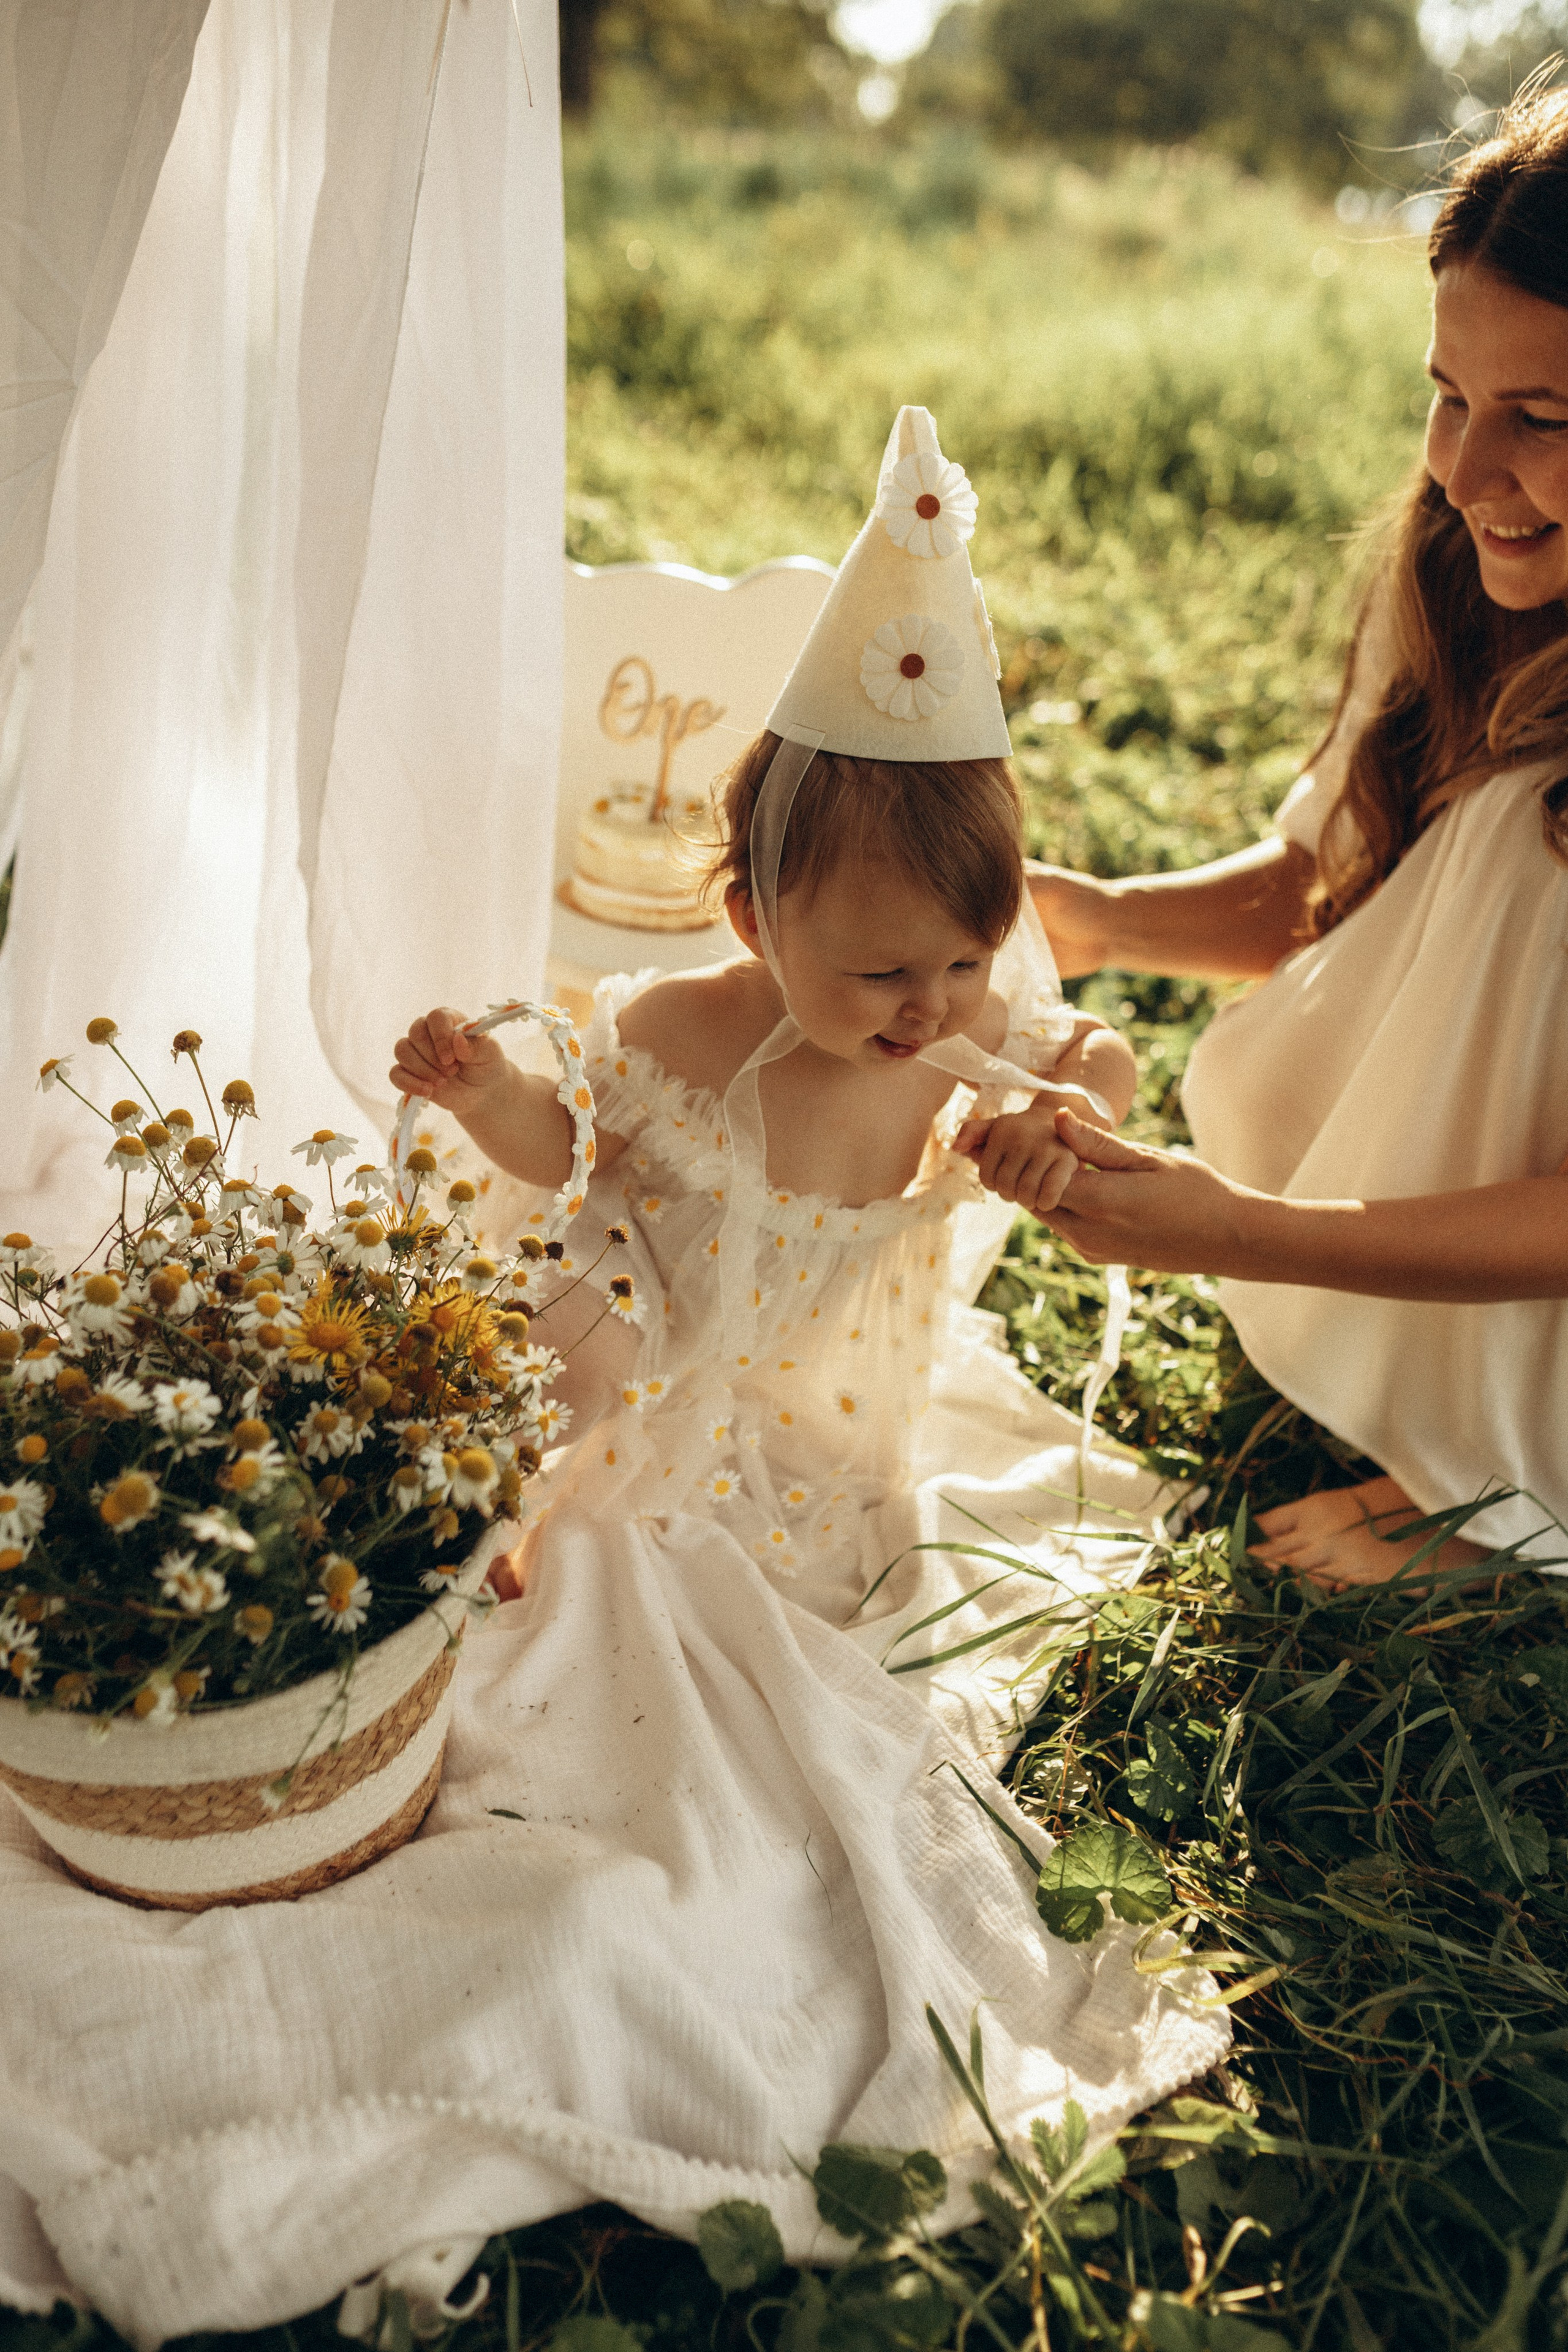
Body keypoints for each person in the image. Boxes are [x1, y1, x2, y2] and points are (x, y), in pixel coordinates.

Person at [1029, 86, 1568, 1596]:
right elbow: (1322, 878)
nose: (1463, 473)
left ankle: (1511, 1488)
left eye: (1538, 419)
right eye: (1447, 393)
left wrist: (1249, 1234)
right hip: (1455, 1195)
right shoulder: (1454, 562)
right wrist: (1087, 915)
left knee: (1530, 839)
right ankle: (1432, 1371)